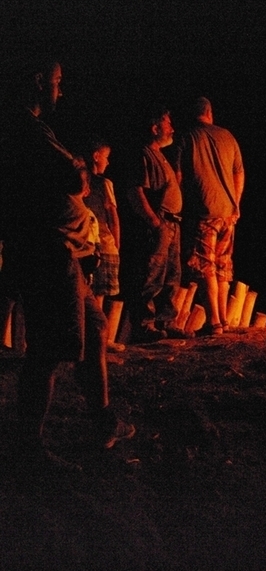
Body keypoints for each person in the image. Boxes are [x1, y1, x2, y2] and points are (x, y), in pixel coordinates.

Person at [0, 59, 135, 468]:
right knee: (46, 351)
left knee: (94, 328)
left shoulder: (32, 129)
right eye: (58, 82)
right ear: (38, 81)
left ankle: (103, 420)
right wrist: (77, 167)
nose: (62, 90)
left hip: (63, 253)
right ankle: (28, 447)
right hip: (46, 251)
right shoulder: (26, 127)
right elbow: (77, 179)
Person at [177, 97, 244, 335]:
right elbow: (239, 173)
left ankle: (213, 322)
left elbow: (179, 177)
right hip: (228, 212)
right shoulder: (228, 136)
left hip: (203, 212)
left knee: (206, 267)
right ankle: (224, 320)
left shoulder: (186, 138)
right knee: (223, 267)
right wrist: (236, 203)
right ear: (209, 112)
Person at [126, 106, 183, 342]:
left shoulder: (160, 154)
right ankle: (144, 327)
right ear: (154, 127)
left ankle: (165, 322)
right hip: (160, 224)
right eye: (167, 123)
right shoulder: (144, 154)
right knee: (152, 276)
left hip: (172, 224)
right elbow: (135, 190)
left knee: (171, 276)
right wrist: (153, 220)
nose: (172, 128)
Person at [81, 138, 122, 310]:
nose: (108, 161)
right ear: (96, 156)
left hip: (83, 244)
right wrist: (117, 244)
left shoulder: (78, 181)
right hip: (103, 245)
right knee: (98, 297)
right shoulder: (104, 184)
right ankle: (96, 334)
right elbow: (113, 216)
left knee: (84, 294)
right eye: (106, 156)